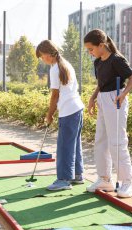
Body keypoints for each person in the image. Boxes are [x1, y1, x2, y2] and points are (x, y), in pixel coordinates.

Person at [83, 29, 132, 198]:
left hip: (116, 99)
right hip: (103, 98)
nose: (90, 53)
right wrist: (93, 98)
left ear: (101, 45)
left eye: (91, 49)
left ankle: (127, 182)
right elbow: (101, 83)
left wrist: (123, 94)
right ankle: (104, 179)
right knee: (101, 140)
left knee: (117, 142)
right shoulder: (98, 62)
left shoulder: (117, 60)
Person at [36, 40, 84, 191]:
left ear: (49, 54)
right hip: (77, 109)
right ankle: (77, 175)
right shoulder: (66, 64)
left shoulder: (55, 68)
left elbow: (55, 95)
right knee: (74, 144)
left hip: (68, 111)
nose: (43, 60)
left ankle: (63, 180)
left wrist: (49, 114)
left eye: (42, 56)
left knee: (64, 146)